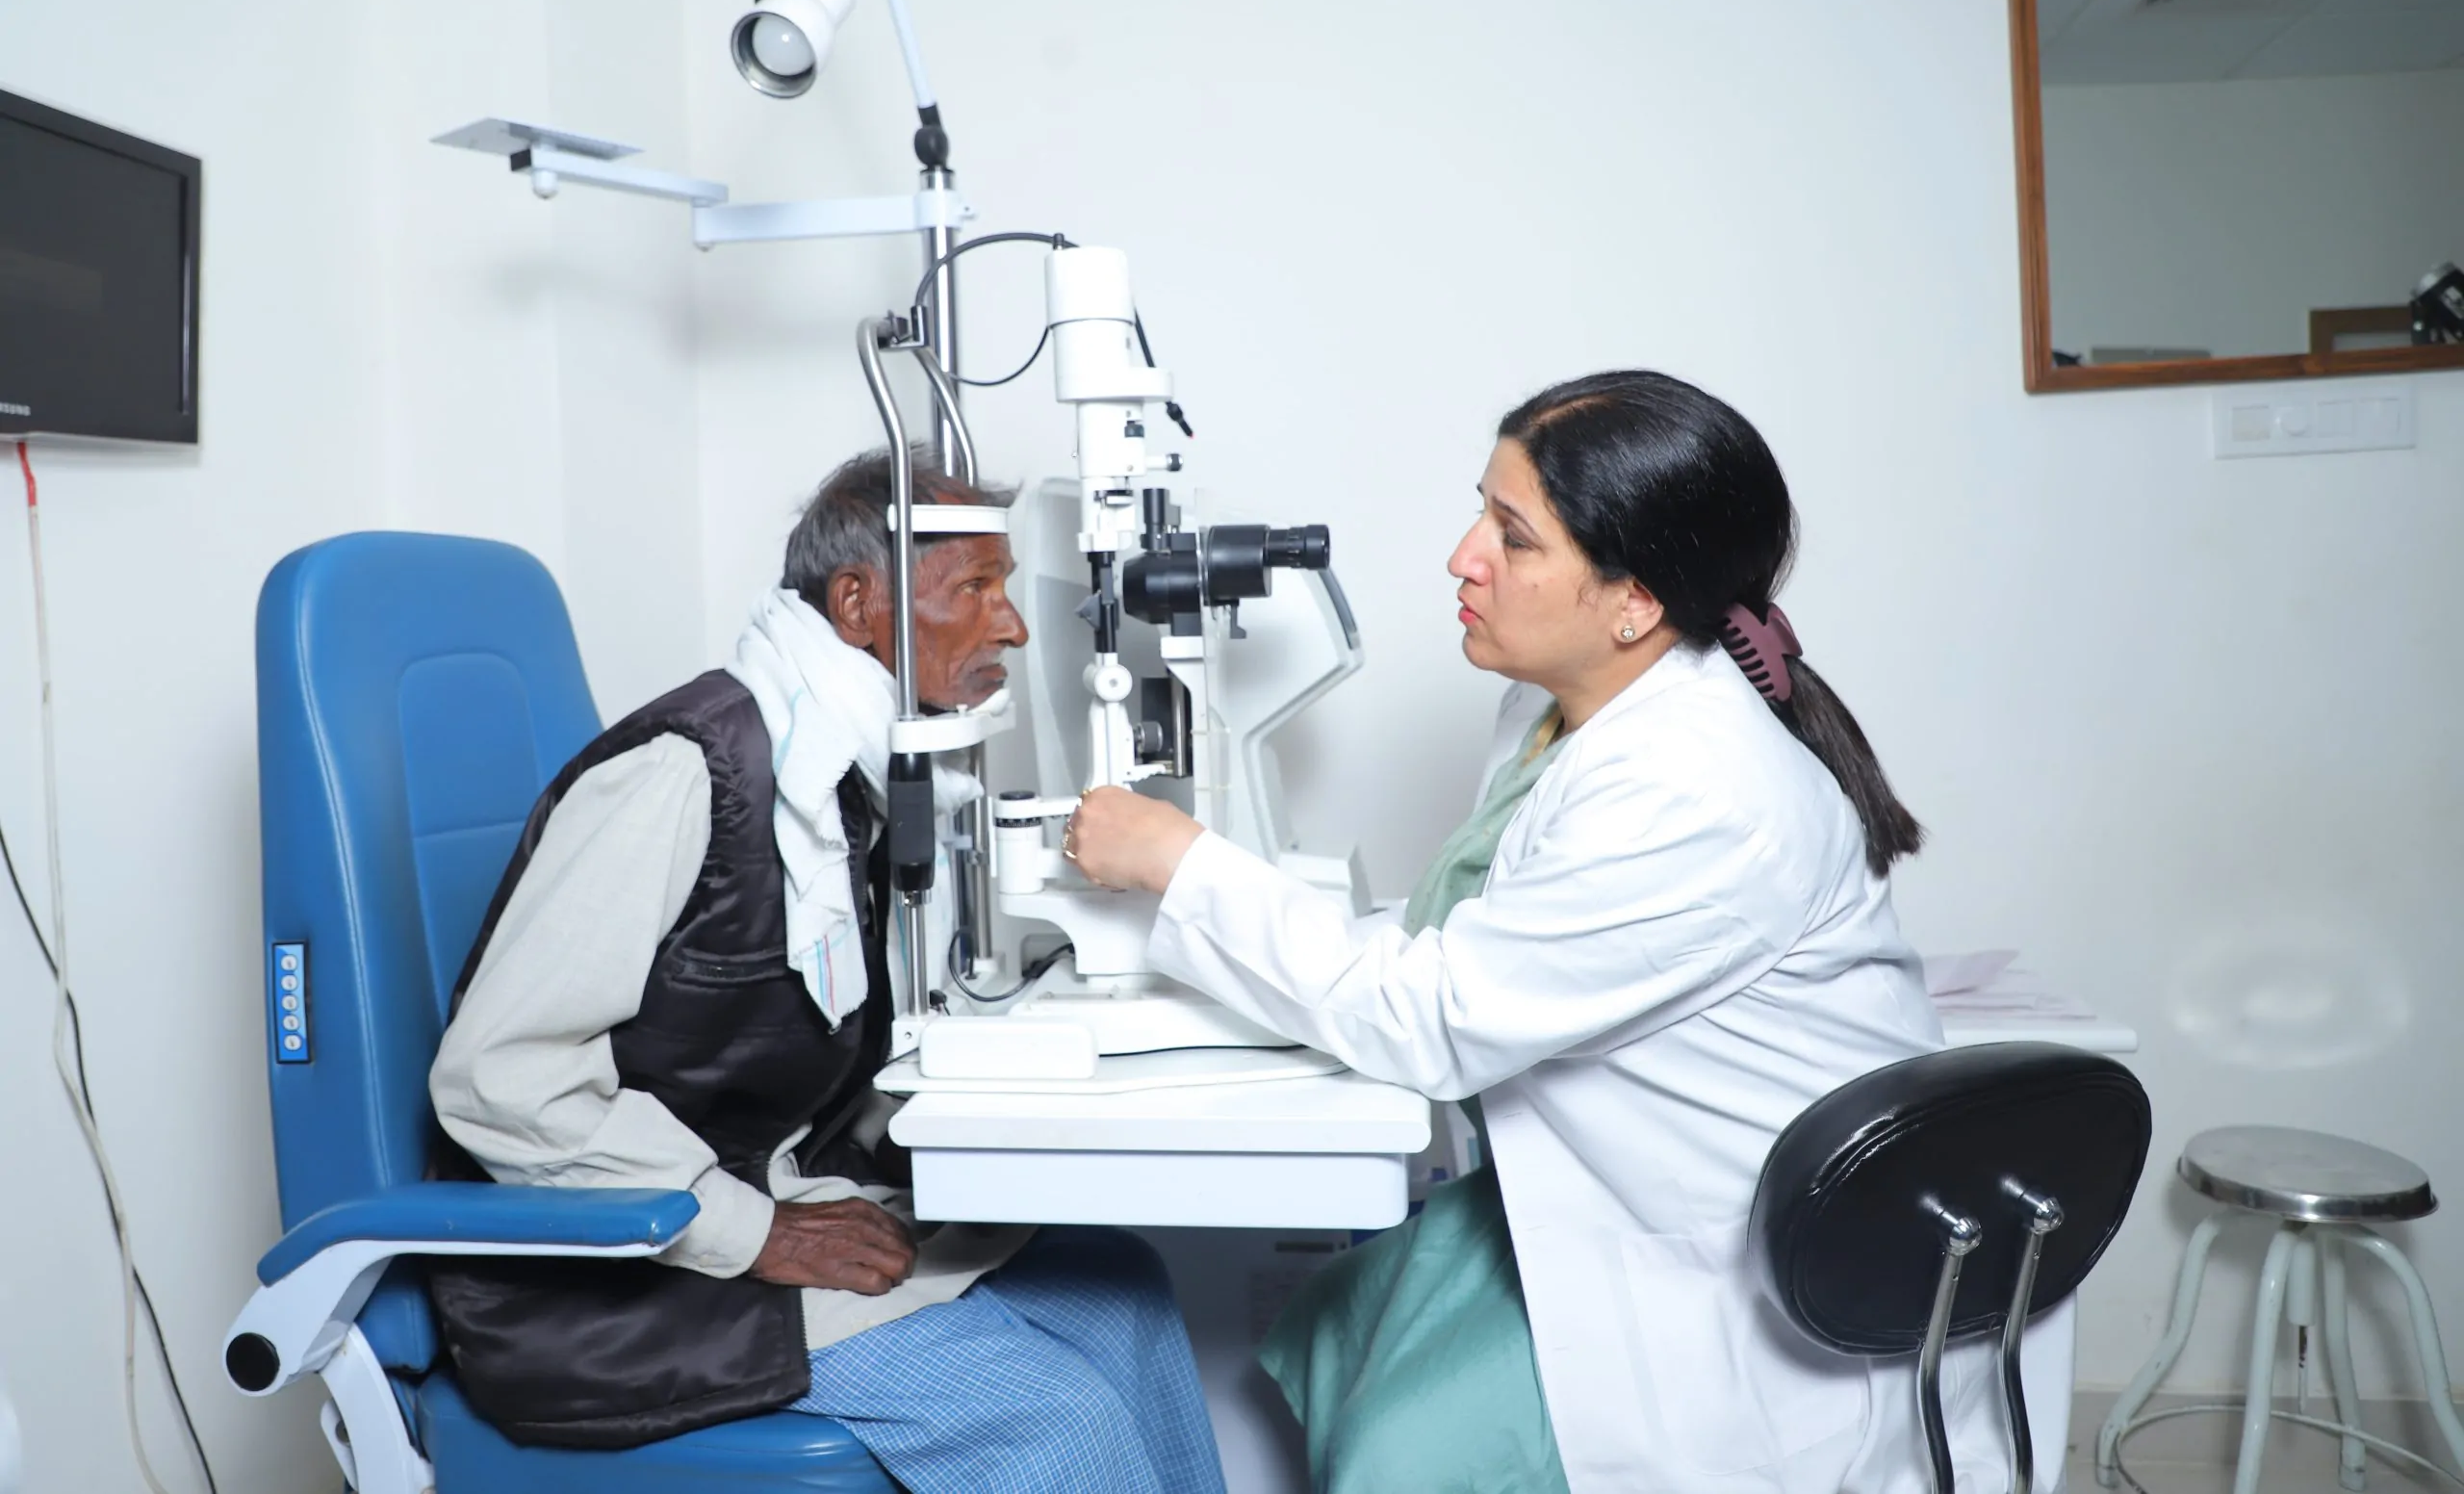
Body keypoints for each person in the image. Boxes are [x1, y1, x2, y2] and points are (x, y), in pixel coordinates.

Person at [1067, 373, 2059, 1493]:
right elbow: (1491, 939)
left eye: (1513, 536)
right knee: (1337, 1323)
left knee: (1404, 1452)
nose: (1462, 558)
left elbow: (1437, 1018)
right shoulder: (1554, 715)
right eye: (1479, 514)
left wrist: (1178, 865)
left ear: (1632, 602)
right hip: (1600, 1193)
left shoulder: (1693, 790)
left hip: (1736, 1277)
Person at [427, 448, 1225, 1494]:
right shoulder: (683, 774)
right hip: (613, 1276)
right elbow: (497, 1076)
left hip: (769, 1187)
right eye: (975, 588)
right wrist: (753, 1231)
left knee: (1123, 1292)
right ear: (857, 603)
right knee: (1050, 1418)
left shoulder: (843, 772)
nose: (1014, 626)